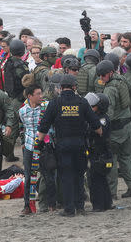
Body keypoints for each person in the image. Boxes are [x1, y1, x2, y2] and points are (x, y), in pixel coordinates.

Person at [36, 74, 102, 217]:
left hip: (62, 145)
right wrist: (99, 135)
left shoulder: (55, 103)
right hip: (80, 144)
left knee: (66, 176)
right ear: (74, 87)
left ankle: (69, 209)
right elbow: (96, 125)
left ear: (60, 88)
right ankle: (80, 207)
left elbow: (44, 126)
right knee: (79, 175)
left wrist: (39, 143)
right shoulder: (82, 102)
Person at [95, 60, 131, 199]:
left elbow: (109, 113)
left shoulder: (110, 89)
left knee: (112, 159)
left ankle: (111, 192)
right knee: (126, 157)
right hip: (127, 125)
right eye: (100, 76)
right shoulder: (122, 79)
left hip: (116, 128)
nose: (101, 78)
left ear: (110, 73)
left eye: (103, 75)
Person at [18, 84, 52, 214]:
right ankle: (28, 205)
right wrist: (22, 142)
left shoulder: (46, 107)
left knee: (47, 175)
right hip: (29, 146)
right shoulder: (22, 111)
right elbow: (21, 127)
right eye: (38, 94)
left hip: (44, 145)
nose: (41, 96)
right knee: (29, 177)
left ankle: (51, 204)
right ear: (29, 96)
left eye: (41, 93)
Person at [84, 92, 113, 212]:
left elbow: (95, 132)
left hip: (99, 154)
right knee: (100, 179)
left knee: (95, 180)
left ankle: (99, 205)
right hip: (98, 153)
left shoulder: (102, 120)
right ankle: (106, 203)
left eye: (93, 106)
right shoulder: (99, 118)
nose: (91, 108)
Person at [3, 39, 30, 162]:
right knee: (21, 127)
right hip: (19, 99)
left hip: (10, 97)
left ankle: (8, 153)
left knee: (11, 126)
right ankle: (21, 154)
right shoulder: (20, 65)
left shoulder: (8, 62)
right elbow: (26, 81)